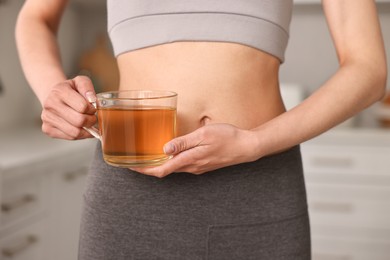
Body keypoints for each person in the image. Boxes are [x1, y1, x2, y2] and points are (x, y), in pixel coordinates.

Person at [15, 0, 387, 259]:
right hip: (132, 191)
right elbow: (37, 15)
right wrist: (52, 90)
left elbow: (368, 69)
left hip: (258, 188)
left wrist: (255, 142)